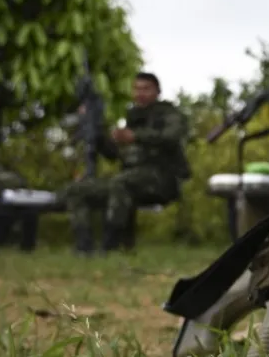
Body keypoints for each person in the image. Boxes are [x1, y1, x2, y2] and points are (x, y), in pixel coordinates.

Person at [64, 72, 190, 255]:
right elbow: (113, 155)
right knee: (76, 190)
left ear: (157, 91)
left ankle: (111, 246)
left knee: (120, 183)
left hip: (162, 180)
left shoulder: (168, 113)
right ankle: (84, 248)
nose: (140, 93)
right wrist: (97, 131)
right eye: (137, 89)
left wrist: (135, 136)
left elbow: (172, 136)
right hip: (129, 180)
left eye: (146, 89)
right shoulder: (132, 118)